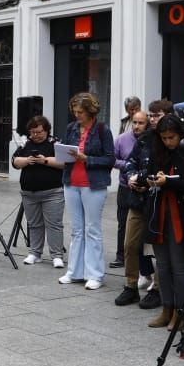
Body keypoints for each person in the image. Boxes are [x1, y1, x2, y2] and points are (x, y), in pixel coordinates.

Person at [140, 113, 184, 334]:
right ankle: (166, 308)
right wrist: (149, 180)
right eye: (164, 137)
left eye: (171, 137)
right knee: (162, 265)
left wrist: (169, 183)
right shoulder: (158, 150)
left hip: (180, 215)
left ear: (180, 134)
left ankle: (180, 312)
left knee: (179, 267)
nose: (168, 141)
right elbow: (149, 173)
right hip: (159, 213)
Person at [58, 92, 116, 291]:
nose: (77, 116)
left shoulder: (102, 130)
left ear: (91, 112)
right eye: (75, 112)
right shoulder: (71, 128)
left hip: (93, 184)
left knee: (92, 229)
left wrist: (86, 158)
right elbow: (68, 152)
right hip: (71, 182)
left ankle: (95, 274)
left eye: (81, 112)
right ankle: (75, 272)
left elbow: (110, 159)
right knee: (76, 229)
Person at [113, 108, 157, 305]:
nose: (138, 126)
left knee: (155, 249)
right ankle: (130, 286)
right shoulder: (142, 141)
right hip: (136, 201)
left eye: (157, 116)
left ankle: (157, 289)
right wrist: (131, 177)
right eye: (135, 122)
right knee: (130, 245)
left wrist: (148, 182)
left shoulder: (164, 141)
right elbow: (130, 161)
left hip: (156, 202)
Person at [11, 115, 65, 269]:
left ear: (46, 130)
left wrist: (45, 160)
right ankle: (35, 253)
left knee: (54, 224)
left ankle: (57, 256)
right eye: (33, 132)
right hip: (29, 193)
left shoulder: (55, 142)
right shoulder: (25, 143)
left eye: (39, 132)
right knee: (34, 224)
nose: (36, 135)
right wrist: (27, 160)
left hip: (52, 192)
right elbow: (14, 161)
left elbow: (64, 163)